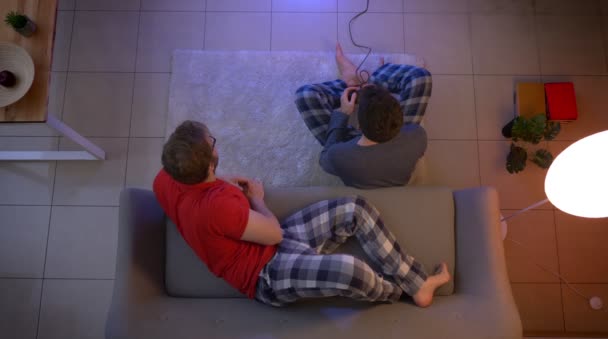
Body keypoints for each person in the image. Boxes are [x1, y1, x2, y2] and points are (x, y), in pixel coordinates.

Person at [153, 120, 450, 308]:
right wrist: (257, 199)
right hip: (266, 275)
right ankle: (398, 291)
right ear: (209, 162)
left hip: (267, 243)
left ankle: (418, 283)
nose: (214, 141)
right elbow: (275, 234)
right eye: (212, 141)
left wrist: (221, 180)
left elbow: (202, 194)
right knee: (350, 271)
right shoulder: (219, 207)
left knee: (355, 208)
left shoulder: (165, 179)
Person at [295, 44, 432, 189]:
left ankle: (352, 86)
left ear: (359, 126)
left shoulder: (339, 156)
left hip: (355, 152)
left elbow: (325, 160)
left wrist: (342, 113)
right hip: (391, 139)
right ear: (399, 115)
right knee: (422, 76)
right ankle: (369, 83)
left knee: (305, 95)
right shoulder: (418, 135)